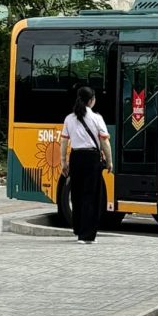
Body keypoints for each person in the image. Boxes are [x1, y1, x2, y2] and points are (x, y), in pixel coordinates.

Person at [60, 86, 113, 244]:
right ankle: (87, 235)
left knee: (76, 195)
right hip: (92, 158)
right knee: (91, 196)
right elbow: (104, 141)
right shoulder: (97, 118)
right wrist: (109, 161)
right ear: (91, 100)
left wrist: (64, 161)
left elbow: (63, 141)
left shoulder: (69, 118)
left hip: (76, 157)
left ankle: (78, 229)